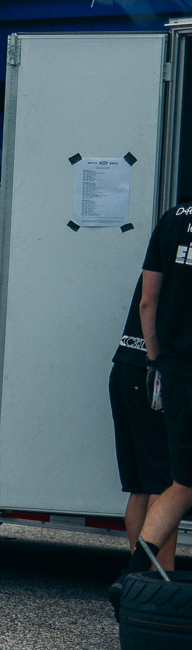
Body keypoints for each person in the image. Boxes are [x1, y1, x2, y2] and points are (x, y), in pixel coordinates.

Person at [133, 201, 192, 571]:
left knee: (183, 482)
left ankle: (133, 576)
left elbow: (147, 300)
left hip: (177, 370)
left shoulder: (173, 218)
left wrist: (156, 359)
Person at [111, 271, 170, 550]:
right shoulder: (178, 252)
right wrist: (156, 359)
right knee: (164, 483)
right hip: (149, 373)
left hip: (125, 367)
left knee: (141, 486)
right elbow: (148, 303)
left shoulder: (165, 242)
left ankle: (139, 573)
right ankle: (157, 575)